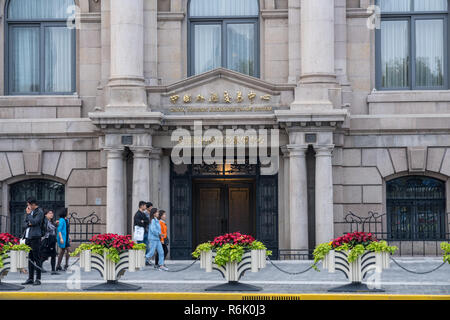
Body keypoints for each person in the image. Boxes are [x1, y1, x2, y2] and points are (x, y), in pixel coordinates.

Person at [22, 197, 44, 286]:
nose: (27, 206)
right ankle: (30, 278)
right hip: (28, 237)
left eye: (28, 205)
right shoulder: (29, 212)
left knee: (37, 258)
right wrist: (29, 222)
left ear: (33, 204)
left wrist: (29, 216)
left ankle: (38, 279)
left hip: (35, 237)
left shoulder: (40, 212)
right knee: (30, 259)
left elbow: (35, 222)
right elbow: (24, 224)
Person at [40, 209, 58, 275]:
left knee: (53, 255)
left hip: (52, 239)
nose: (51, 214)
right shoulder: (45, 221)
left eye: (52, 213)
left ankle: (53, 270)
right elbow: (49, 229)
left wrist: (55, 224)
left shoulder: (51, 222)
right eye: (50, 213)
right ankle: (38, 267)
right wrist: (55, 225)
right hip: (47, 240)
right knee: (44, 256)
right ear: (45, 215)